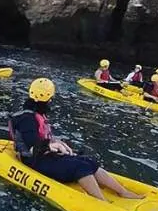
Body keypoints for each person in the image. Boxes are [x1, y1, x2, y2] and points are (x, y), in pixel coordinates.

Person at [8, 79, 145, 202]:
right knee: (80, 167)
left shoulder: (37, 113)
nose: (51, 101)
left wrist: (58, 143)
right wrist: (53, 146)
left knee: (88, 161)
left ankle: (123, 192)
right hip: (34, 161)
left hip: (44, 155)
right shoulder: (26, 119)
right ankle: (101, 202)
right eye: (50, 98)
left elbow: (43, 137)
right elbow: (33, 147)